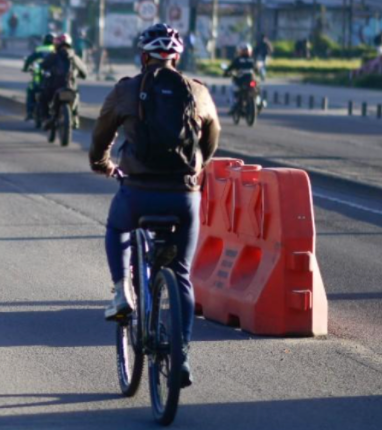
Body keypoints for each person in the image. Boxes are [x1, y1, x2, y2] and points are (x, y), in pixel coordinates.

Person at [90, 23, 220, 388]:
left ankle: (121, 291)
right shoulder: (198, 91)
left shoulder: (126, 89)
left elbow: (102, 134)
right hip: (183, 196)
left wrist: (102, 164)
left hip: (137, 192)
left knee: (118, 227)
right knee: (180, 273)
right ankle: (181, 356)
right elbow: (211, 140)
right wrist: (196, 170)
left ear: (143, 56)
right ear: (178, 57)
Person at [40, 33, 87, 129]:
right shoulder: (75, 57)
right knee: (77, 96)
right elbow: (84, 73)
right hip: (70, 88)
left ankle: (46, 118)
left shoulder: (53, 56)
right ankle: (75, 118)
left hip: (55, 88)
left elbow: (43, 65)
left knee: (42, 97)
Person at [22, 33, 55, 121]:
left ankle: (29, 112)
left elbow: (29, 59)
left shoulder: (39, 49)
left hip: (39, 79)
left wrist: (25, 68)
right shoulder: (56, 50)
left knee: (31, 90)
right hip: (53, 81)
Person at [224, 43, 260, 115]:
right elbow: (257, 70)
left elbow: (229, 69)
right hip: (252, 80)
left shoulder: (237, 60)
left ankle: (233, 106)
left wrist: (226, 73)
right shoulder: (253, 59)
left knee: (231, 89)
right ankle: (258, 102)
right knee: (257, 89)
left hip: (240, 81)